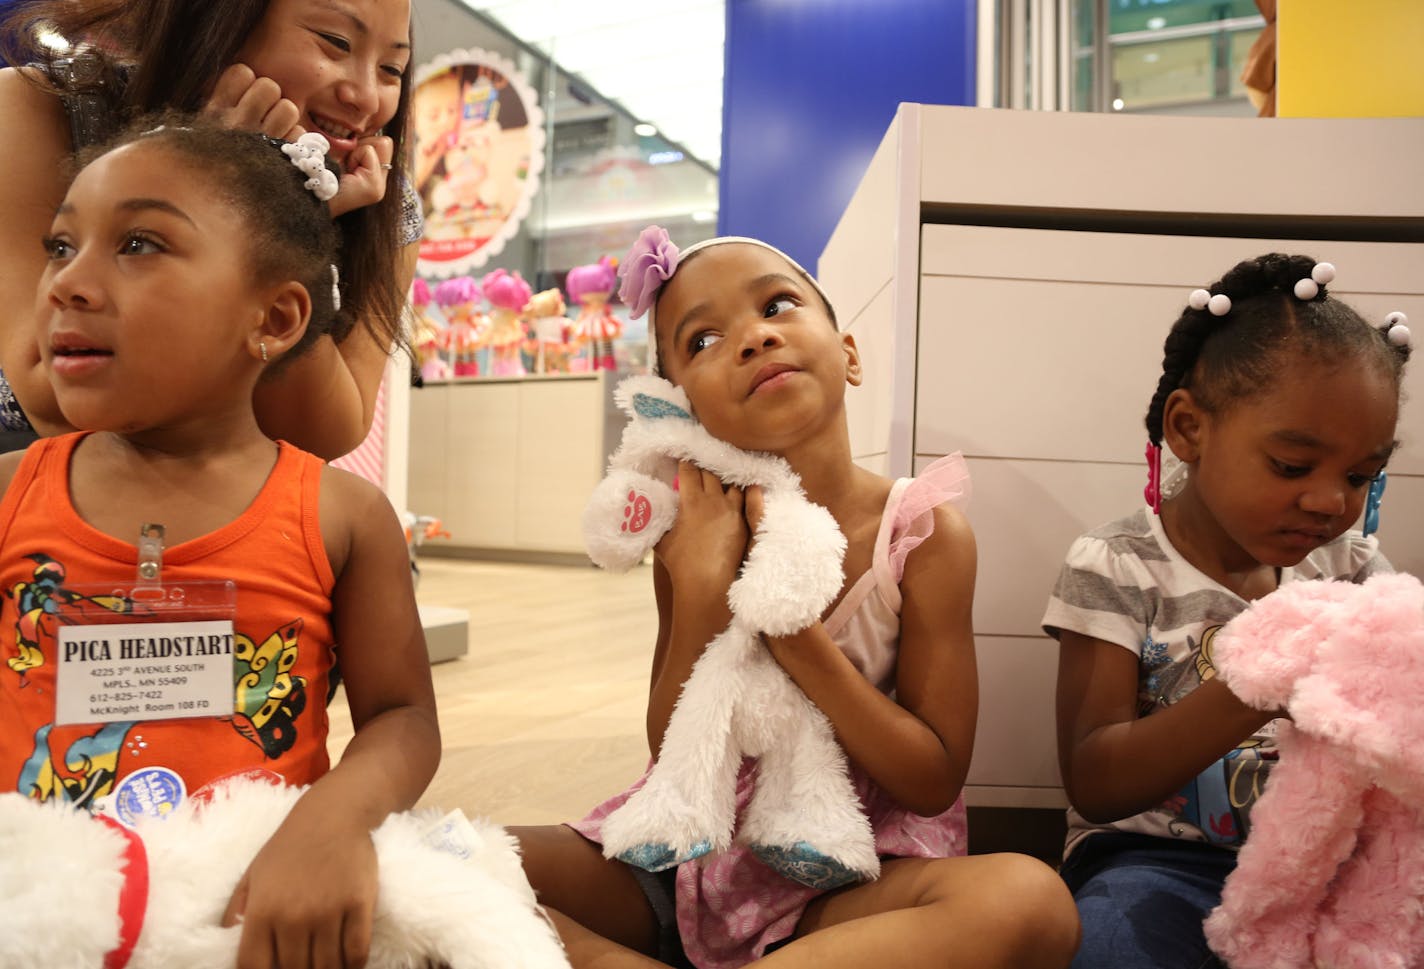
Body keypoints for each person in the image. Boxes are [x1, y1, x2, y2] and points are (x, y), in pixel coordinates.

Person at [512, 226, 1080, 969]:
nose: (751, 339)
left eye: (777, 305)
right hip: (691, 871)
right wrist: (707, 583)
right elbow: (672, 749)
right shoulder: (689, 535)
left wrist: (793, 635)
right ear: (679, 409)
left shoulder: (921, 534)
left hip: (853, 884)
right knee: (442, 860)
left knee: (1026, 900)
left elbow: (932, 775)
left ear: (848, 353)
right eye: (704, 339)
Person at [0, 118, 442, 968]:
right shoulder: (10, 492)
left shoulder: (342, 515)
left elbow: (402, 716)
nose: (66, 283)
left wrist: (334, 818)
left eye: (137, 243)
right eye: (61, 245)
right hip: (49, 921)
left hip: (252, 917)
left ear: (274, 317)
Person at [1045, 253, 1412, 969]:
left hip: (1333, 865)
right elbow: (1096, 780)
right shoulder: (1116, 564)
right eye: (1291, 465)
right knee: (1108, 949)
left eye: (1360, 475)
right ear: (1189, 428)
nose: (1330, 501)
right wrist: (1260, 681)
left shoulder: (1353, 568)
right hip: (1153, 863)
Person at [0, 0, 420, 459]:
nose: (365, 96)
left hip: (230, 521)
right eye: (336, 43)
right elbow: (51, 398)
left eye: (391, 69)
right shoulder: (34, 108)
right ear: (219, 22)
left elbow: (319, 436)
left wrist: (292, 217)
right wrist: (205, 177)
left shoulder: (384, 201)